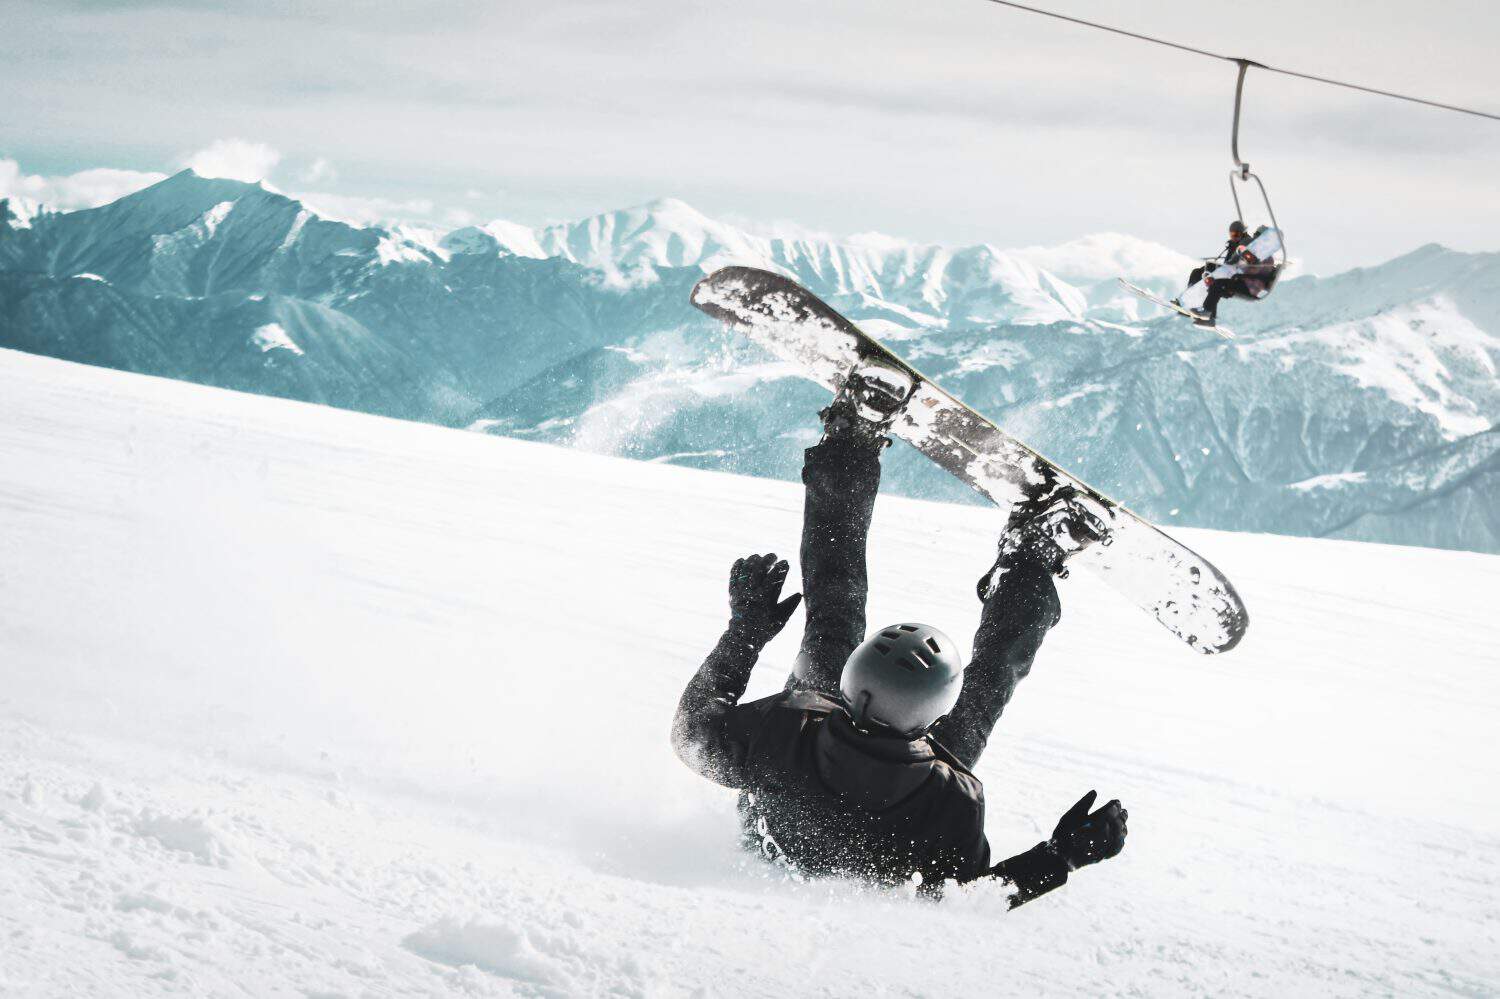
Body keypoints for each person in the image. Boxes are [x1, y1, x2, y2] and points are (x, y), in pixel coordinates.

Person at [671, 372, 1127, 906]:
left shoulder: (789, 726)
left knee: (901, 642)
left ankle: (860, 446)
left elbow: (690, 735)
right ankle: (1024, 556)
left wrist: (745, 631)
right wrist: (1061, 857)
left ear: (849, 681)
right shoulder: (947, 799)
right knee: (967, 672)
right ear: (932, 721)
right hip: (883, 782)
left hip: (797, 780)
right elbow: (966, 898)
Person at [1177, 220, 1269, 326]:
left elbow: (1244, 264)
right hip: (1231, 273)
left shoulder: (1251, 246)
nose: (1234, 237)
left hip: (1236, 277)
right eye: (1232, 234)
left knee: (1213, 280)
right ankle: (1188, 300)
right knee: (1198, 273)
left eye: (1236, 234)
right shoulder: (1240, 243)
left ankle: (1205, 313)